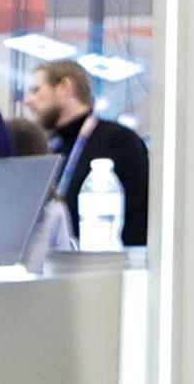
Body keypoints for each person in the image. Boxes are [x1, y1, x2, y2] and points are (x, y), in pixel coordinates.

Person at [22, 53, 153, 254]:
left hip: (106, 269)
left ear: (65, 87)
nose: (28, 101)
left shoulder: (119, 142)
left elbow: (136, 223)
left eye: (36, 90)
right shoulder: (52, 149)